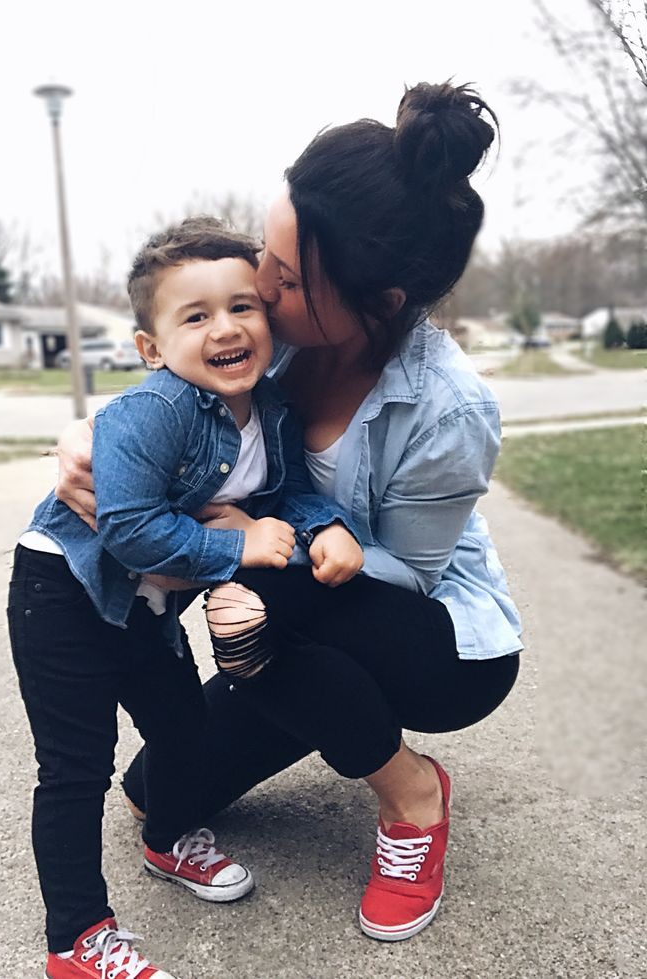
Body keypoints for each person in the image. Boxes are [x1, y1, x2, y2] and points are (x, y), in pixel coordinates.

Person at [55, 81, 524, 944]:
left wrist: (264, 541)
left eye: (283, 276)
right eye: (263, 255)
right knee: (154, 794)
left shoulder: (448, 408)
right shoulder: (261, 346)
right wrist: (86, 445)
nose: (257, 290)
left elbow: (411, 573)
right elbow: (162, 398)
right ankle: (297, 676)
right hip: (298, 609)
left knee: (268, 587)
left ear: (376, 302)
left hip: (437, 642)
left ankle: (414, 795)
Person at [7, 217, 362, 979]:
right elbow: (131, 529)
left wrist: (326, 525)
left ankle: (168, 839)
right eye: (195, 316)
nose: (225, 328)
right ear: (151, 346)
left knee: (183, 727)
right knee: (75, 766)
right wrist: (238, 545)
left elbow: (287, 492)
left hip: (146, 607)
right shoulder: (154, 410)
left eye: (243, 306)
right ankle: (77, 939)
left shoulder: (273, 409)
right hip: (63, 594)